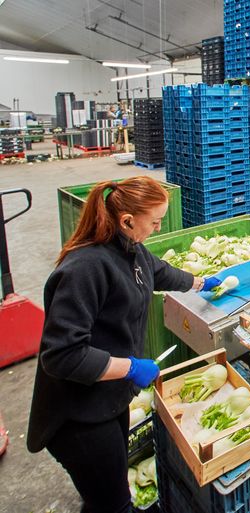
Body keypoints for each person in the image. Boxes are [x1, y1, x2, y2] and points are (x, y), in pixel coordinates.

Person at [26, 176, 221, 513]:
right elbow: (62, 355)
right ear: (128, 221)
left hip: (109, 396)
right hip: (78, 415)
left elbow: (158, 272)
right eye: (155, 221)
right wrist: (131, 366)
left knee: (105, 492)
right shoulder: (86, 268)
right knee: (114, 503)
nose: (158, 228)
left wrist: (200, 282)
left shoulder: (129, 249)